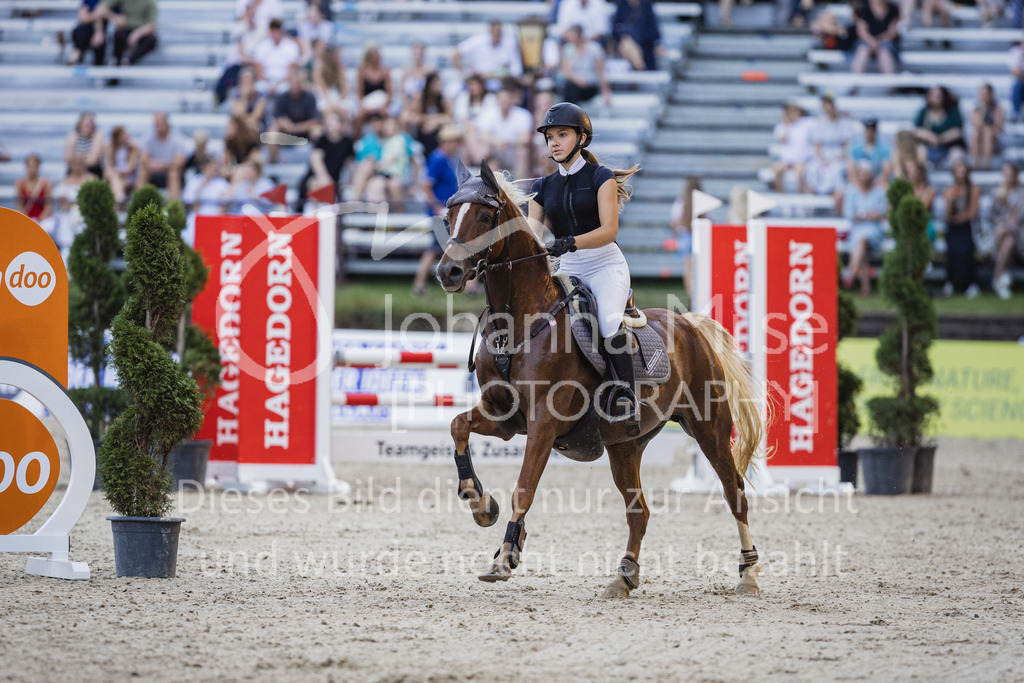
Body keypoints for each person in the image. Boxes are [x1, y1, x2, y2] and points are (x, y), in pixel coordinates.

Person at [527, 102, 642, 426]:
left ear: (582, 138)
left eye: (562, 135)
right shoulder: (541, 187)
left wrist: (570, 242)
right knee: (549, 326)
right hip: (570, 269)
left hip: (605, 265)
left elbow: (609, 230)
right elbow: (533, 235)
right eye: (550, 137)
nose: (554, 143)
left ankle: (626, 396)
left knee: (606, 322)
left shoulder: (600, 177)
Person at [414, 124, 464, 296]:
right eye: (454, 141)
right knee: (436, 249)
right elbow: (426, 185)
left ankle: (420, 285)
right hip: (441, 214)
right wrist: (436, 207)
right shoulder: (438, 159)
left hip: (446, 213)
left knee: (443, 248)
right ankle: (419, 285)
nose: (456, 144)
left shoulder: (446, 158)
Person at [842, 160, 888, 297]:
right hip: (859, 230)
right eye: (861, 172)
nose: (863, 175)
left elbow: (881, 213)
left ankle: (851, 270)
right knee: (862, 244)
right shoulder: (852, 191)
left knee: (862, 240)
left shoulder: (879, 192)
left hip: (873, 230)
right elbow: (849, 214)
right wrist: (869, 214)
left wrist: (862, 215)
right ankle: (865, 287)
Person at [469, 81, 534, 179]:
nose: (505, 101)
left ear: (512, 99)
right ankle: (484, 180)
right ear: (497, 99)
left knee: (523, 151)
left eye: (507, 98)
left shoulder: (523, 115)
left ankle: (521, 186)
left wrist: (508, 143)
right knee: (482, 145)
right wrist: (497, 142)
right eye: (502, 98)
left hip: (513, 152)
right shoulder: (489, 113)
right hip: (494, 152)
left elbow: (526, 139)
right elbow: (483, 135)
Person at [804, 94, 858, 206]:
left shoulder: (844, 122)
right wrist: (822, 159)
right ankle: (811, 203)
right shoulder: (820, 122)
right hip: (823, 157)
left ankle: (837, 201)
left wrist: (835, 159)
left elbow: (847, 146)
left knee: (836, 170)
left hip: (839, 156)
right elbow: (817, 145)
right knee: (812, 169)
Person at [296, 109, 354, 211]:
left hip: (335, 178)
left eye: (334, 121)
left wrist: (349, 180)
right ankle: (315, 212)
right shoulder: (322, 140)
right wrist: (324, 178)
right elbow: (316, 160)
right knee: (316, 184)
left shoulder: (347, 142)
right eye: (329, 121)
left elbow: (350, 163)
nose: (331, 124)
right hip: (318, 176)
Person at [941, 155, 982, 297]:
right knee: (951, 251)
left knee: (966, 251)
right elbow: (947, 216)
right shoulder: (949, 190)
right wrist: (950, 201)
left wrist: (958, 218)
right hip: (953, 227)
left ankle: (970, 283)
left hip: (967, 226)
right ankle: (951, 282)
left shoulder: (974, 189)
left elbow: (973, 212)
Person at [267, 67, 321, 162]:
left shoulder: (309, 97)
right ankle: (273, 163)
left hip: (305, 132)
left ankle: (317, 161)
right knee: (272, 132)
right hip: (286, 132)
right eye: (293, 82)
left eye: (298, 83)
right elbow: (277, 118)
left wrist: (295, 127)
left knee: (318, 131)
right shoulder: (282, 97)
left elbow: (314, 121)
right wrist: (283, 123)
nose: (295, 86)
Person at [991, 162, 1024, 299]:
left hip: (1020, 233)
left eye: (1009, 174)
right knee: (1007, 241)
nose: (1007, 176)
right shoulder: (997, 191)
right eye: (1005, 174)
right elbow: (992, 216)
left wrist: (1006, 204)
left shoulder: (1021, 191)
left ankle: (997, 277)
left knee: (1006, 235)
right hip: (1003, 235)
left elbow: (1020, 217)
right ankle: (1001, 276)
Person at [452, 21, 523, 83]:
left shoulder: (510, 43)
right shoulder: (478, 41)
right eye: (494, 32)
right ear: (490, 31)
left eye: (499, 33)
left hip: (503, 82)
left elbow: (516, 70)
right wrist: (464, 74)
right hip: (479, 81)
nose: (496, 36)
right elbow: (456, 54)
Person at [137, 112, 187, 200]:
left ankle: (172, 206)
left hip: (169, 173)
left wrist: (161, 165)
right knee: (142, 171)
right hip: (153, 172)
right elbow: (143, 159)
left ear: (167, 123)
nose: (158, 127)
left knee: (174, 172)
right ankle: (139, 203)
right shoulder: (148, 137)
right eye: (156, 124)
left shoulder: (177, 139)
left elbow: (179, 162)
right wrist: (154, 165)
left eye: (160, 124)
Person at [92, 0, 158, 67]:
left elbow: (152, 25)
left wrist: (137, 34)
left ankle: (127, 61)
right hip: (125, 28)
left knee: (151, 40)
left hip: (142, 30)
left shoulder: (150, 2)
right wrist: (113, 17)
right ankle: (116, 61)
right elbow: (101, 9)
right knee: (118, 35)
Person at [181, 155, 229, 245]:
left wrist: (218, 220)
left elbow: (224, 207)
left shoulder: (222, 183)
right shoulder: (195, 181)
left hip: (215, 217)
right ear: (204, 167)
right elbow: (191, 205)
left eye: (215, 165)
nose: (213, 168)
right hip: (197, 216)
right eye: (210, 166)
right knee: (189, 229)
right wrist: (203, 186)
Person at [913, 85, 964, 168]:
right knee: (920, 152)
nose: (936, 99)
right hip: (929, 146)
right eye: (933, 96)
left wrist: (941, 139)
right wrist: (931, 137)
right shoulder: (924, 112)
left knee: (957, 155)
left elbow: (958, 131)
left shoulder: (952, 111)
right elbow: (917, 130)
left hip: (949, 146)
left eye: (939, 96)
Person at [560, 25, 612, 106]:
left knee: (570, 89)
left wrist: (605, 92)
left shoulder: (594, 49)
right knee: (570, 88)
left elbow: (601, 72)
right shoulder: (568, 49)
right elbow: (566, 71)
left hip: (590, 86)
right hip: (574, 85)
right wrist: (579, 81)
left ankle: (571, 115)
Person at [405, 72, 452, 160]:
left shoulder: (444, 99)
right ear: (430, 85)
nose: (439, 86)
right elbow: (413, 117)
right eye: (437, 84)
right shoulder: (420, 97)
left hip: (439, 129)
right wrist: (428, 120)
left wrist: (435, 122)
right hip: (422, 130)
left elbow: (449, 118)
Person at [771, 103, 815, 192]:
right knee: (776, 170)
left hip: (800, 161)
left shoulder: (805, 123)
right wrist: (786, 125)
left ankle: (800, 196)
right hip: (785, 161)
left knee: (801, 172)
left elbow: (820, 121)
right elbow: (783, 139)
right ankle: (781, 195)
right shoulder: (781, 126)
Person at [670, 177, 701, 300]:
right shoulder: (703, 202)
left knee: (688, 270)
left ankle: (691, 295)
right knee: (699, 269)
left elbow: (674, 223)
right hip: (699, 236)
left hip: (686, 237)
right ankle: (698, 294)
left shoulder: (680, 202)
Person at [851, 0, 900, 75]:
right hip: (867, 40)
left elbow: (893, 32)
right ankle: (854, 83)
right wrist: (872, 41)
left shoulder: (893, 8)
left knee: (885, 51)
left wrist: (878, 41)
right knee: (863, 50)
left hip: (886, 41)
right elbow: (861, 31)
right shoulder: (863, 8)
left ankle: (891, 85)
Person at [611, 0, 661, 71]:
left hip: (643, 44)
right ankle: (639, 67)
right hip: (622, 42)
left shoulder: (646, 6)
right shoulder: (622, 5)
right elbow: (616, 29)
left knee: (626, 46)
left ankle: (637, 67)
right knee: (626, 44)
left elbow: (653, 32)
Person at [252, 18, 301, 87]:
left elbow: (291, 70)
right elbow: (259, 70)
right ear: (270, 31)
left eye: (278, 30)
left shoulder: (291, 47)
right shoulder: (262, 46)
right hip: (266, 81)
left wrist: (278, 84)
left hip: (285, 81)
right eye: (273, 30)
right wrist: (268, 84)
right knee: (259, 87)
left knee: (286, 87)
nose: (276, 33)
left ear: (282, 30)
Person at [355, 43, 393, 129]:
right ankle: (357, 140)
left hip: (382, 104)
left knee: (388, 115)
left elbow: (389, 94)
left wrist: (384, 105)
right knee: (359, 116)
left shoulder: (385, 71)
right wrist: (365, 107)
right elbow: (359, 94)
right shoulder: (362, 72)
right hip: (367, 105)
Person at [969, 83, 1005, 171]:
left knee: (987, 131)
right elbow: (977, 124)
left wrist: (988, 129)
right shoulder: (976, 108)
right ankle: (975, 163)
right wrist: (983, 108)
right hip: (979, 138)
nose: (983, 96)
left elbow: (998, 126)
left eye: (985, 94)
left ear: (991, 95)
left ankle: (987, 164)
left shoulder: (998, 108)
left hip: (994, 139)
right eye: (981, 93)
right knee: (976, 133)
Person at [848, 116, 892, 184]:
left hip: (877, 182)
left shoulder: (885, 147)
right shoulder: (856, 146)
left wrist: (873, 185)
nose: (869, 133)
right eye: (867, 129)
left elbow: (886, 170)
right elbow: (851, 168)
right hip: (860, 182)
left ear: (876, 130)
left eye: (872, 130)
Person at [103, 125, 139, 204]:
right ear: (117, 137)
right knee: (114, 177)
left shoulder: (133, 149)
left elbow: (129, 169)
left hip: (128, 177)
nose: (127, 136)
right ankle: (120, 199)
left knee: (116, 178)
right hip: (115, 176)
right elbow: (108, 167)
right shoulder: (110, 149)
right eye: (123, 135)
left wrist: (116, 171)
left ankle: (119, 199)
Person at [63, 111, 104, 177]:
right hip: (74, 170)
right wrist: (78, 163)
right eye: (85, 125)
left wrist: (78, 161)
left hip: (92, 170)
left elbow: (93, 159)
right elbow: (67, 158)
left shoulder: (98, 136)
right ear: (80, 124)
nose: (88, 127)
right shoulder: (72, 136)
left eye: (89, 125)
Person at [15, 154, 52, 222]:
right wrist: (26, 218)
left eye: (34, 166)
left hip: (42, 219)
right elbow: (20, 204)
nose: (32, 169)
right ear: (26, 166)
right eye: (30, 166)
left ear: (38, 166)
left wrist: (40, 219)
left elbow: (48, 206)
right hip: (26, 217)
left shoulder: (46, 183)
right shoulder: (20, 183)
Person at [68, 0, 106, 66]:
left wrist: (90, 16)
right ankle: (76, 54)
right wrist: (97, 15)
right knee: (82, 31)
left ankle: (76, 54)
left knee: (99, 40)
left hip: (102, 32)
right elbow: (82, 17)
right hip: (85, 32)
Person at [1011, 36, 1024, 122]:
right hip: (1020, 82)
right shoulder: (1015, 52)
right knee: (1017, 86)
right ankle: (1016, 113)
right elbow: (1016, 73)